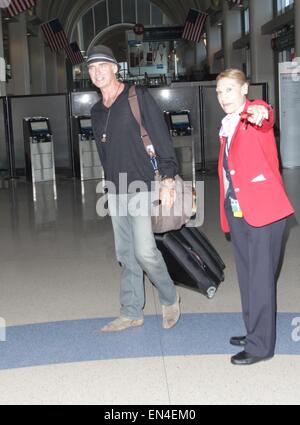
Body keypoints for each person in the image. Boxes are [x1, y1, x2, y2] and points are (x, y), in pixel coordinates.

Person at [87, 45, 180, 332]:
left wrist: (167, 178)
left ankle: (169, 297)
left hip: (142, 183)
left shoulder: (136, 96)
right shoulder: (96, 111)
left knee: (144, 251)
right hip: (115, 189)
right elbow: (104, 153)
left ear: (116, 68)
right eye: (92, 67)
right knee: (124, 253)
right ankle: (131, 311)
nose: (97, 71)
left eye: (103, 65)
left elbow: (161, 137)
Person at [216, 69, 294, 365]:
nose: (223, 97)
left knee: (260, 279)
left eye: (229, 90)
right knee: (249, 277)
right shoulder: (228, 124)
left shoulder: (253, 116)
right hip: (239, 211)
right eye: (220, 92)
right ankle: (253, 332)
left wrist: (261, 111)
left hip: (265, 212)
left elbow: (266, 115)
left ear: (244, 88)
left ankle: (261, 346)